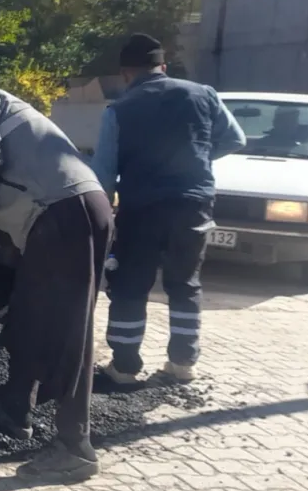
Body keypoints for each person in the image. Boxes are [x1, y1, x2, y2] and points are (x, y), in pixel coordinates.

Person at [0, 64, 111, 483]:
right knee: (29, 315)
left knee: (68, 330)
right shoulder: (9, 106)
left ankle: (76, 448)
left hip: (63, 216)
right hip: (69, 212)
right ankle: (15, 409)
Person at [91, 33, 246, 385]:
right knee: (185, 284)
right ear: (163, 66)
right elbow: (236, 139)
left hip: (142, 209)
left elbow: (104, 174)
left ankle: (124, 368)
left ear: (126, 73)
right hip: (193, 205)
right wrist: (198, 156)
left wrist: (103, 215)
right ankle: (182, 363)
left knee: (131, 285)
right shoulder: (203, 94)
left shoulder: (118, 110)